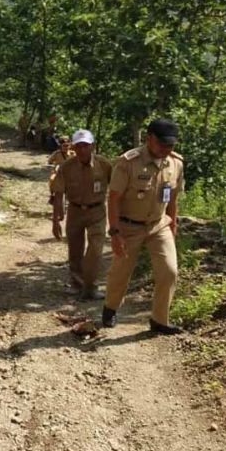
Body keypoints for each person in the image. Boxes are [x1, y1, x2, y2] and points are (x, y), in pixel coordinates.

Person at [102, 119, 185, 334]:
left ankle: (159, 319)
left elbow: (173, 199)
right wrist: (115, 232)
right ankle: (110, 307)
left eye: (171, 146)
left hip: (159, 225)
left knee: (169, 272)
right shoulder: (128, 162)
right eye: (162, 145)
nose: (167, 150)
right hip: (129, 226)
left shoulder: (176, 163)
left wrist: (173, 224)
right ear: (149, 139)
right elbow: (114, 198)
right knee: (120, 272)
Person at [50, 129, 113, 300]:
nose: (82, 150)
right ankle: (78, 284)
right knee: (75, 249)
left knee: (95, 249)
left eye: (86, 146)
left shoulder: (104, 165)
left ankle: (91, 286)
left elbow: (117, 189)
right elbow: (58, 193)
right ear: (73, 148)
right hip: (76, 211)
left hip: (97, 212)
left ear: (92, 146)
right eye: (79, 146)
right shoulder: (67, 167)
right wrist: (55, 220)